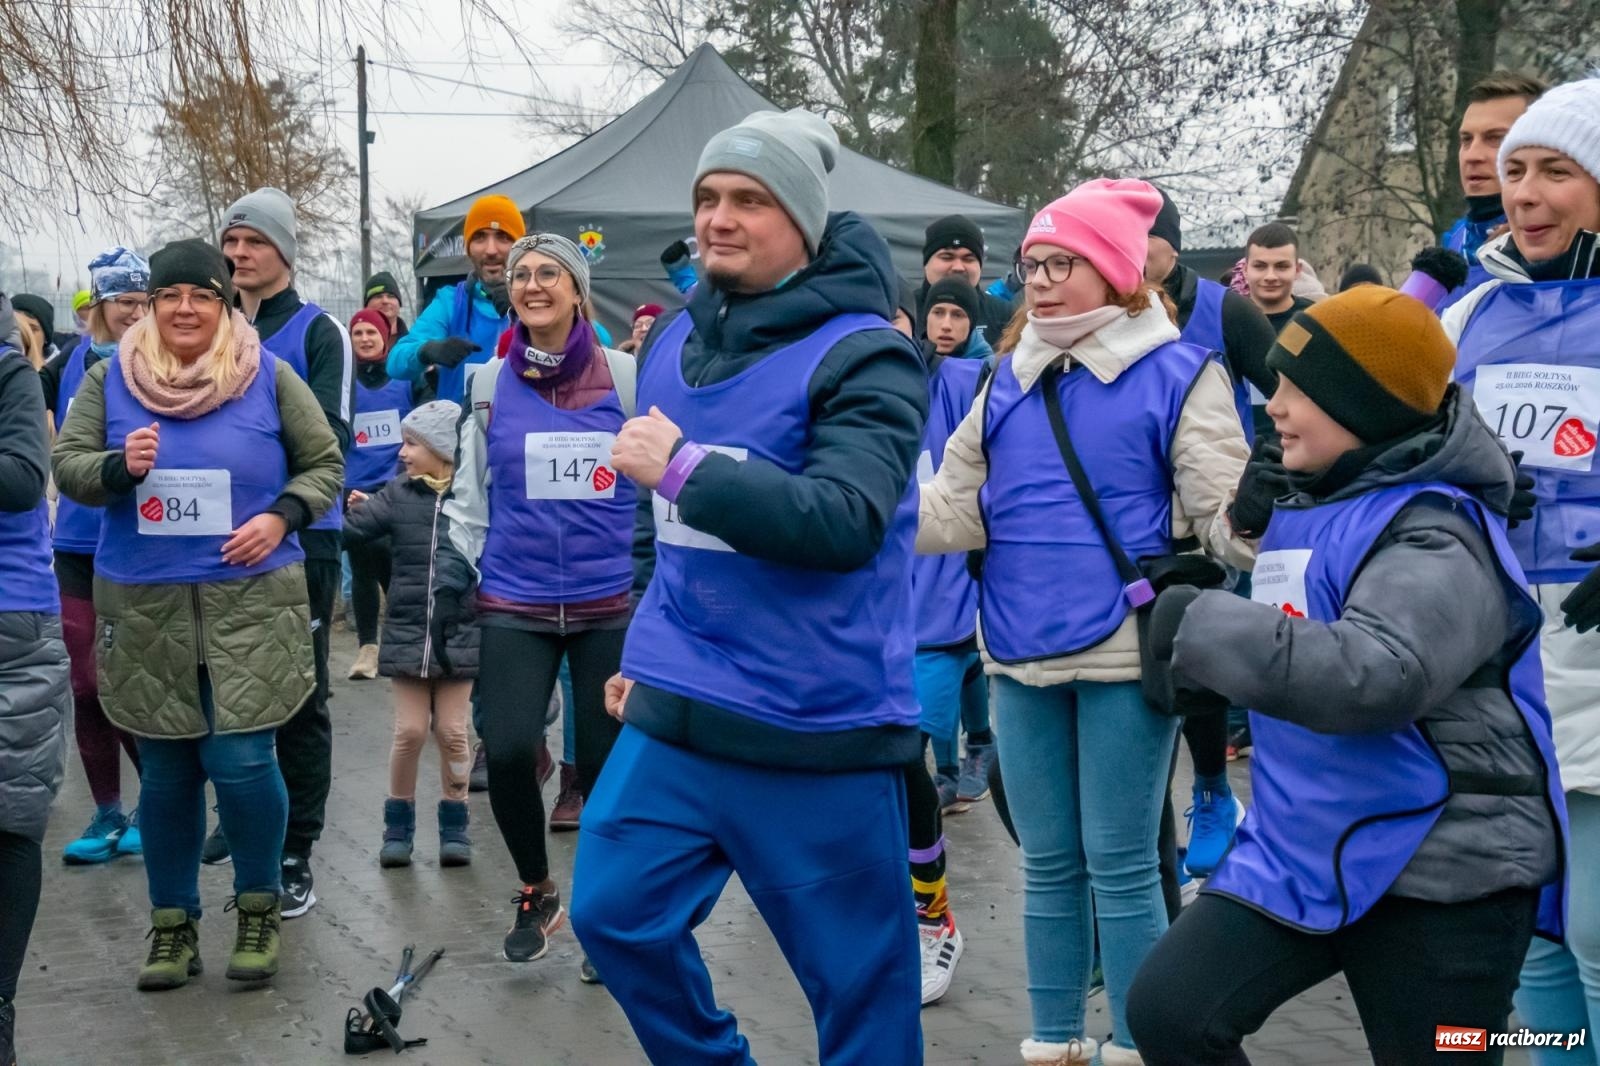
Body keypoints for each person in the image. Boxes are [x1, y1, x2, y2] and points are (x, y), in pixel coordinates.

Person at [1129, 285, 1567, 1066]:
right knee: (1171, 1010)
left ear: (1364, 410)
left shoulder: (1438, 528)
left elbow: (1379, 674)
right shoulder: (1313, 497)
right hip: (1305, 847)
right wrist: (1207, 661)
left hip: (1443, 870)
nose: (1274, 408)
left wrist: (1202, 624)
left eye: (1300, 391)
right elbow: (1300, 633)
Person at [572, 107, 928, 1064]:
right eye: (707, 198)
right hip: (680, 705)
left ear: (803, 226)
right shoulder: (672, 339)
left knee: (862, 996)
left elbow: (846, 520)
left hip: (816, 728)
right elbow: (659, 530)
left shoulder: (869, 355)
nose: (719, 218)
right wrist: (643, 645)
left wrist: (687, 467)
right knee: (611, 915)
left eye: (749, 200)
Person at [918, 178, 1255, 1066]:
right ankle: (1057, 1044)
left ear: (1113, 270)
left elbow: (1224, 518)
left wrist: (1265, 514)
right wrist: (834, 503)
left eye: (1060, 262)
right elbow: (951, 512)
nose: (1038, 280)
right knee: (1050, 867)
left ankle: (1144, 1047)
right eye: (1031, 264)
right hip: (1016, 655)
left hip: (1122, 653)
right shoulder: (1005, 380)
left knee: (1122, 865)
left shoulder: (1180, 371)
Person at [51, 238, 342, 992]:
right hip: (144, 605)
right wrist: (122, 468)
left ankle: (257, 906)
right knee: (171, 773)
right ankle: (173, 926)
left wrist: (281, 518)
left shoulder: (268, 376)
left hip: (250, 601)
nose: (186, 308)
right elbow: (70, 468)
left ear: (224, 303)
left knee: (242, 760)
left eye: (202, 295)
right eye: (170, 295)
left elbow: (326, 464)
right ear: (149, 304)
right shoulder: (108, 378)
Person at [1444, 75, 1600, 1064]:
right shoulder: (1466, 317)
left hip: (1595, 664)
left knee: (1594, 935)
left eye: (1555, 170)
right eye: (1514, 173)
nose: (1525, 192)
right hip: (1499, 666)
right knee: (1531, 934)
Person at [437, 232, 634, 969]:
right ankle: (536, 888)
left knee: (609, 767)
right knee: (513, 748)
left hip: (606, 601)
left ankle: (609, 911)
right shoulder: (487, 385)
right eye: (522, 274)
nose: (533, 284)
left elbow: (653, 484)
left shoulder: (624, 376)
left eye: (550, 273)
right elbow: (470, 493)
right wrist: (456, 571)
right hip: (514, 599)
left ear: (577, 290)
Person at [211, 187, 353, 919]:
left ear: (285, 253)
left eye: (254, 243)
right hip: (216, 539)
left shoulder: (319, 332)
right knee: (225, 690)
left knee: (300, 697)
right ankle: (245, 817)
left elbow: (327, 435)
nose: (239, 256)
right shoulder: (208, 325)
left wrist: (275, 499)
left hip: (305, 535)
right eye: (231, 243)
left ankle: (296, 849)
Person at [1144, 190, 1280, 892]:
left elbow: (1289, 388)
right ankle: (1152, 835)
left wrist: (1264, 475)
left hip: (1213, 513)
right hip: (1135, 515)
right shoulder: (1108, 305)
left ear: (1171, 244)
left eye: (1146, 241)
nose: (1131, 256)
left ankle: (1210, 789)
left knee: (1193, 648)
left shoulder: (1223, 310)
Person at [38, 249, 152, 866]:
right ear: (98, 306)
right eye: (123, 302)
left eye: (142, 301)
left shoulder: (161, 362)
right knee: (85, 684)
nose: (134, 313)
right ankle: (109, 811)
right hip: (76, 541)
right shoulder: (70, 364)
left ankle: (159, 803)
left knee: (133, 685)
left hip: (134, 540)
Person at [342, 400, 477, 867]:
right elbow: (348, 530)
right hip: (405, 631)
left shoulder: (475, 499)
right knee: (411, 731)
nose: (402, 453)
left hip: (461, 633)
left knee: (454, 732)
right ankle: (397, 825)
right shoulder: (398, 494)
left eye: (411, 443)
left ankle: (455, 821)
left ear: (442, 449)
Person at [0, 295, 71, 1066]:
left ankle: (1, 1011)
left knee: (8, 819)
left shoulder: (9, 373)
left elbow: (22, 479)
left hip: (10, 617)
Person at [344, 309, 429, 681]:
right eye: (358, 332)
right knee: (362, 559)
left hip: (398, 485)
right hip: (354, 486)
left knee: (395, 563)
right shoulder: (344, 385)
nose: (364, 339)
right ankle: (368, 648)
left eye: (371, 332)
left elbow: (426, 428)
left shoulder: (405, 380)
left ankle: (404, 641)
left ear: (385, 337)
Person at [388, 195, 522, 405]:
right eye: (479, 238)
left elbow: (590, 342)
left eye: (503, 237)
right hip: (459, 434)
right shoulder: (450, 302)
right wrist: (427, 350)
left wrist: (522, 314)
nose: (491, 250)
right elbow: (395, 362)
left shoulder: (538, 299)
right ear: (468, 249)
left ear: (519, 247)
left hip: (521, 433)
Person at [1439, 71, 1548, 313]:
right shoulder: (1454, 242)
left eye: (1495, 139)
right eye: (1466, 140)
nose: (1472, 156)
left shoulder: (1563, 249)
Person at [920, 214, 1020, 342]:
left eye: (968, 259)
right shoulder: (903, 312)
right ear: (926, 263)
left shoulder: (1005, 315)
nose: (958, 267)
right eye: (947, 257)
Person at [1242, 223, 1313, 333]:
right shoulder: (1227, 321)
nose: (1270, 276)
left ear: (1297, 270)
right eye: (1260, 266)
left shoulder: (1315, 319)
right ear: (1245, 270)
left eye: (1282, 266)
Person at [10, 295, 58, 369]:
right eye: (18, 328)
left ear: (45, 337)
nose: (26, 334)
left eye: (33, 329)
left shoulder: (60, 371)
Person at [363, 271, 409, 344]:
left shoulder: (412, 343)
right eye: (378, 296)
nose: (385, 301)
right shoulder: (352, 343)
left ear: (399, 303)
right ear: (366, 305)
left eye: (391, 296)